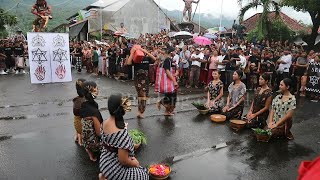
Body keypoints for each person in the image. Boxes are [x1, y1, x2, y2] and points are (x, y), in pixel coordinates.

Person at [99, 94, 148, 180]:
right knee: (144, 176)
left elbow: (111, 142)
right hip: (115, 169)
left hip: (104, 162)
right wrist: (135, 163)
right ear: (123, 109)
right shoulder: (121, 134)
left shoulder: (104, 123)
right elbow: (123, 161)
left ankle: (104, 176)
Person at [127, 46, 156, 119]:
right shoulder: (136, 58)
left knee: (144, 96)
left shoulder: (147, 58)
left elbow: (155, 59)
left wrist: (146, 52)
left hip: (146, 80)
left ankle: (140, 111)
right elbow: (128, 63)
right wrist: (133, 52)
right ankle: (140, 112)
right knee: (141, 95)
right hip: (138, 80)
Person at [80, 81, 103, 161]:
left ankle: (89, 153)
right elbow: (98, 133)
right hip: (94, 144)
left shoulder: (83, 105)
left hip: (85, 141)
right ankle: (97, 152)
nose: (98, 90)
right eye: (96, 89)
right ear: (92, 92)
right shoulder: (94, 112)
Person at [156, 49, 179, 116]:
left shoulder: (171, 60)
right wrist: (174, 81)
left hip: (172, 79)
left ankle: (169, 111)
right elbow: (167, 71)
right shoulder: (167, 60)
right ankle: (166, 109)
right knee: (170, 96)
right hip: (169, 81)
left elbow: (176, 69)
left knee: (173, 96)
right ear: (170, 52)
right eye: (174, 51)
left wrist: (176, 73)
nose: (175, 52)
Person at [73, 79, 86, 146]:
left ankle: (78, 137)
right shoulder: (85, 100)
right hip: (82, 126)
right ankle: (80, 139)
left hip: (76, 123)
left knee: (78, 121)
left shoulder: (76, 100)